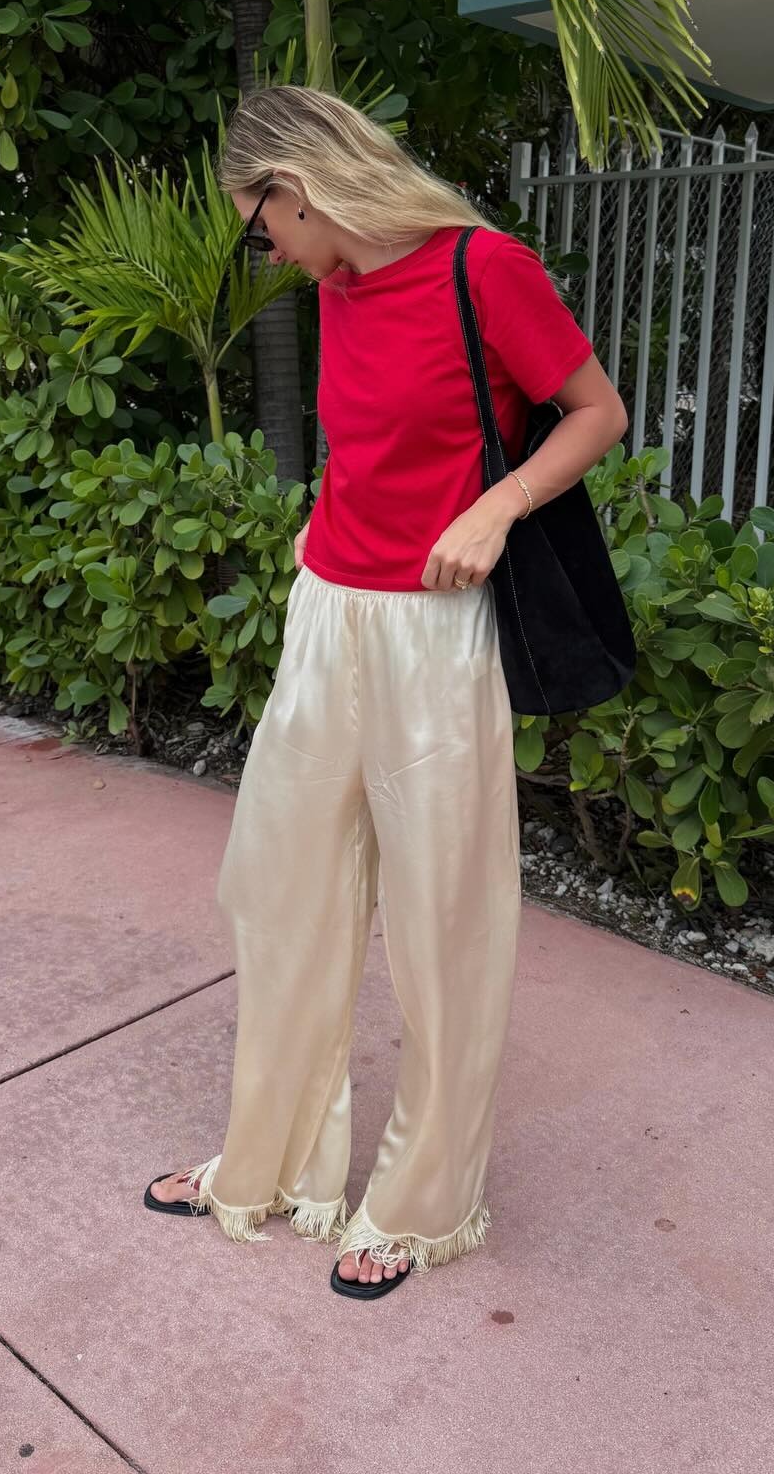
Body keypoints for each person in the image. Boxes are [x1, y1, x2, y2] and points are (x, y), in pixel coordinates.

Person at [145, 85, 629, 1299]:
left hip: (438, 629)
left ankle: (419, 1203)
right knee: (279, 890)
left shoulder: (483, 269)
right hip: (328, 617)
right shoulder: (338, 289)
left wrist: (497, 504)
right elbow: (365, 449)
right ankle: (267, 1167)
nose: (268, 251)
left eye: (262, 227)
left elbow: (596, 411)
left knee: (441, 920)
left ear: (295, 187)